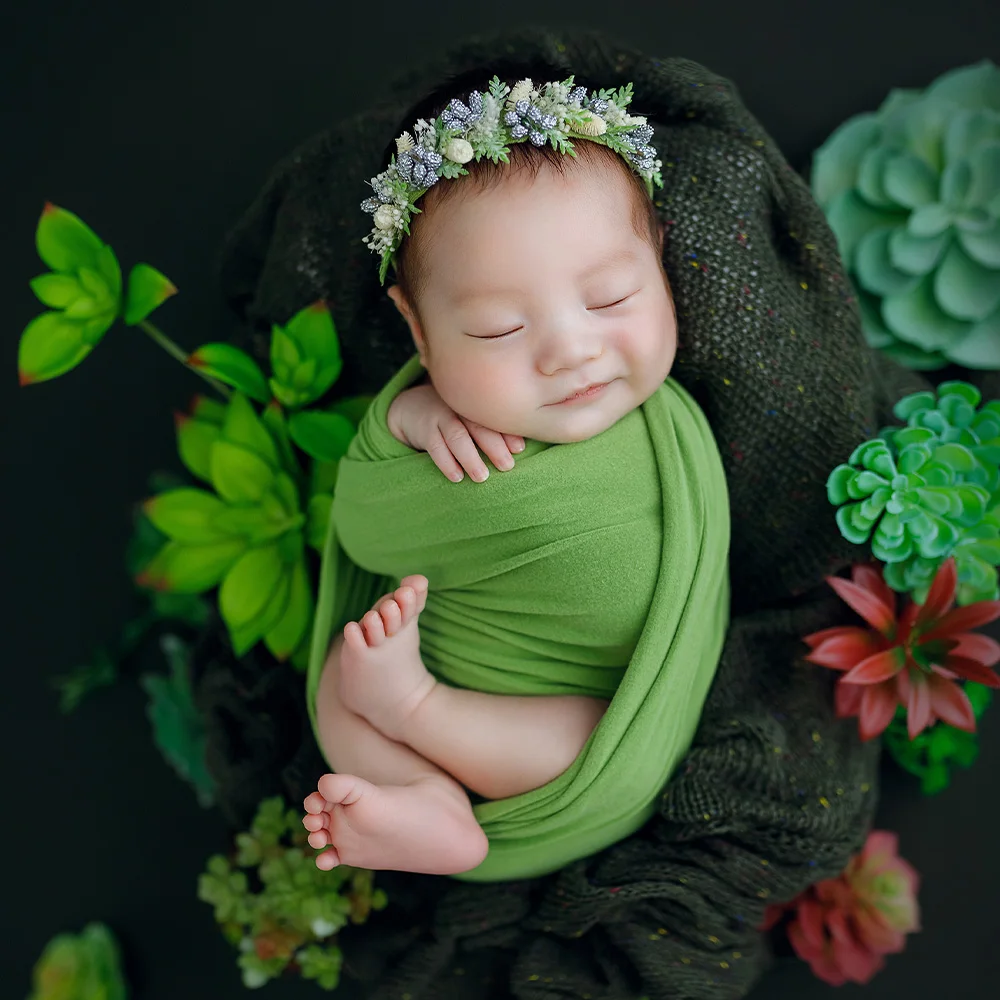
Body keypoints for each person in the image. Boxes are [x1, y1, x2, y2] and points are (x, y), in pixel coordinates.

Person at [300, 69, 732, 882]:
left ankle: (417, 715)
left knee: (581, 731)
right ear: (419, 334)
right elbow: (363, 529)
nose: (570, 351)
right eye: (500, 328)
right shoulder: (437, 435)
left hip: (584, 749)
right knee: (338, 679)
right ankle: (425, 797)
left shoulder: (676, 433)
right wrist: (404, 422)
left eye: (610, 298)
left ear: (661, 262)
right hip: (440, 656)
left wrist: (415, 702)